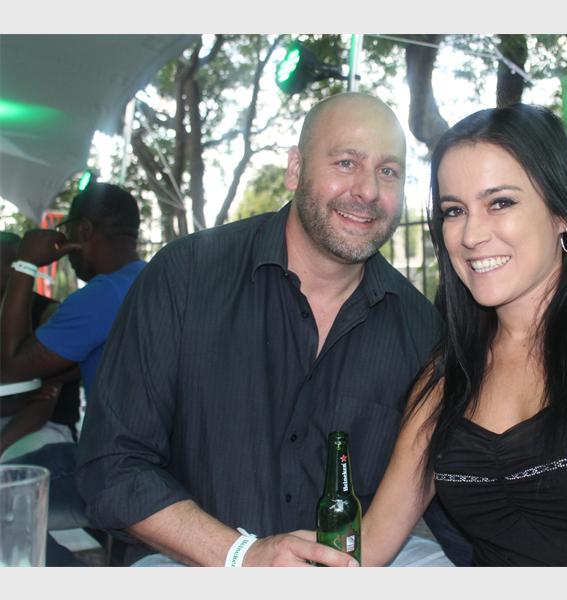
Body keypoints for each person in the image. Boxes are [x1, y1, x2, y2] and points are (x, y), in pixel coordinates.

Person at [75, 93, 471, 567]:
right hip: (191, 562)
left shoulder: (421, 332)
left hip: (354, 565)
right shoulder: (185, 277)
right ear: (295, 169)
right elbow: (112, 466)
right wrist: (242, 555)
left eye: (388, 171)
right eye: (346, 162)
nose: (368, 190)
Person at [356, 103, 567, 566]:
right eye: (454, 210)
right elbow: (369, 545)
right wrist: (260, 554)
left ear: (560, 214)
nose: (471, 234)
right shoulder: (445, 375)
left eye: (500, 202)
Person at [0, 183, 146, 564]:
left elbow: (10, 365)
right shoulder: (148, 280)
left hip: (117, 470)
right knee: (29, 469)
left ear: (83, 232)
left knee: (7, 498)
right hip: (145, 461)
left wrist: (25, 264)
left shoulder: (103, 295)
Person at [0, 232, 81, 461]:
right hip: (8, 418)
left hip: (48, 427)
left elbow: (42, 404)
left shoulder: (50, 314)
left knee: (11, 464)